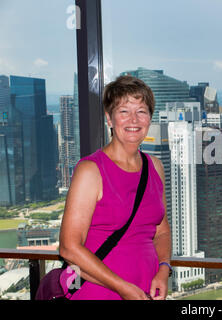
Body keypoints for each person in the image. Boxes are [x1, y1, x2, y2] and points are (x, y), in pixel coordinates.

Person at [59, 75, 172, 300]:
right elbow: (69, 248)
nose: (134, 119)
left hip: (144, 292)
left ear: (150, 118)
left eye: (141, 111)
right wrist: (122, 287)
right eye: (123, 111)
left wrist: (163, 269)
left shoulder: (154, 167)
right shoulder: (91, 170)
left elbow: (162, 231)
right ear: (109, 119)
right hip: (98, 292)